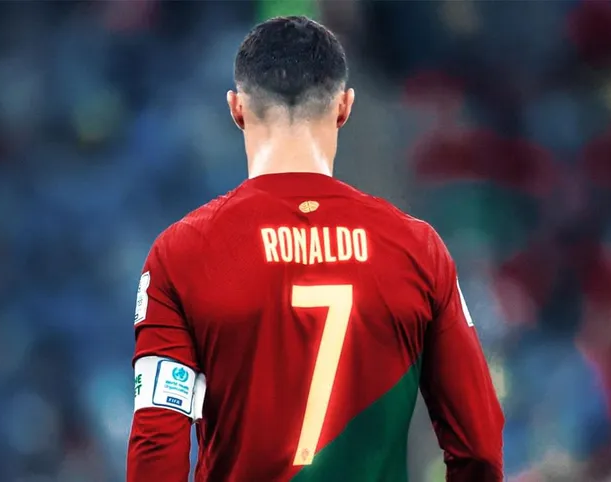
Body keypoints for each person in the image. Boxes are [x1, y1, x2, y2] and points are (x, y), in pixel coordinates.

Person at [126, 16, 504, 482]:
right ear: (344, 107)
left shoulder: (181, 253)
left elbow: (156, 445)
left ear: (237, 109)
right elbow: (479, 447)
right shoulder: (418, 250)